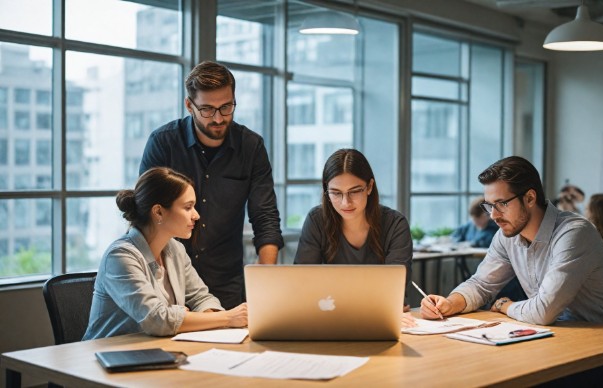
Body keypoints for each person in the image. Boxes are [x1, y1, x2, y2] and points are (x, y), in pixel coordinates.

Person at [415, 156, 603, 387]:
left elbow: (543, 311)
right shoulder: (507, 235)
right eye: (489, 205)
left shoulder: (574, 233)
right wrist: (450, 303)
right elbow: (481, 284)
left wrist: (505, 306)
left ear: (530, 198)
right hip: (554, 342)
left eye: (502, 204)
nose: (493, 215)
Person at [140, 61, 283, 310]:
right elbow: (146, 214)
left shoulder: (251, 147)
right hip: (169, 277)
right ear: (189, 105)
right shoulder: (164, 143)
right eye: (207, 109)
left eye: (226, 107)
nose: (218, 118)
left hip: (225, 280)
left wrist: (266, 279)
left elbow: (265, 217)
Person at [83, 167, 247, 340]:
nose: (196, 215)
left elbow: (201, 298)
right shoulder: (120, 257)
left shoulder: (176, 249)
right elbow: (157, 320)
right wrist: (228, 318)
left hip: (153, 352)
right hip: (104, 358)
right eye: (188, 207)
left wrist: (197, 316)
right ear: (158, 212)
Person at [294, 149, 413, 309]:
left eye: (355, 191)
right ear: (326, 191)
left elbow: (394, 290)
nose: (345, 203)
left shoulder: (395, 224)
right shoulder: (317, 220)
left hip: (379, 317)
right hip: (329, 317)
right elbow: (302, 284)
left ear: (370, 187)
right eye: (336, 193)